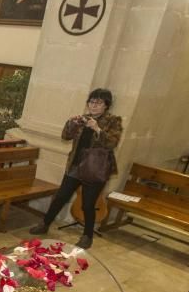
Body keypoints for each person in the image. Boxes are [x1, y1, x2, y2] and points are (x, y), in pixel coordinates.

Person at [28, 88, 123, 249]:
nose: (94, 105)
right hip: (75, 165)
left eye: (98, 102)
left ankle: (87, 236)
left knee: (87, 204)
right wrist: (71, 124)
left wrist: (97, 129)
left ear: (106, 105)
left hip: (95, 169)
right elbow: (65, 136)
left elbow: (112, 143)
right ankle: (44, 224)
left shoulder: (113, 120)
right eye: (91, 102)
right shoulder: (84, 118)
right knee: (60, 197)